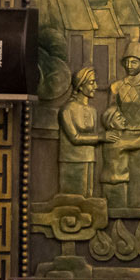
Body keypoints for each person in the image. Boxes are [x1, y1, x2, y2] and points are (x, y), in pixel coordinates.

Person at [102, 46, 140, 208]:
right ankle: (118, 209)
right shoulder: (116, 87)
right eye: (127, 61)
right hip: (121, 136)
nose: (129, 65)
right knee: (119, 176)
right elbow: (110, 113)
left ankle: (139, 210)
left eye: (134, 61)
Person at [56, 67, 104, 198]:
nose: (96, 86)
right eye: (91, 82)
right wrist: (100, 137)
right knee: (73, 200)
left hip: (89, 158)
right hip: (72, 162)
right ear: (80, 86)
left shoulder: (93, 111)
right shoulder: (67, 110)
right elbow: (75, 138)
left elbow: (92, 136)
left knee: (88, 197)